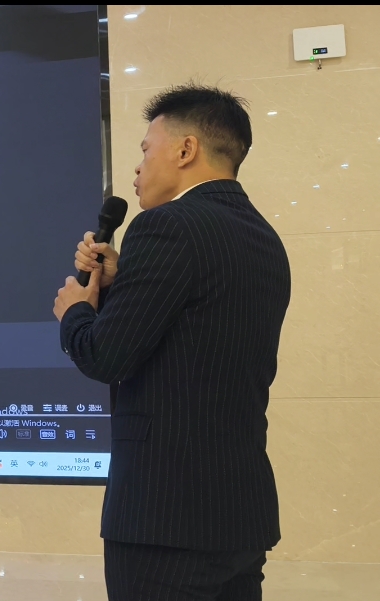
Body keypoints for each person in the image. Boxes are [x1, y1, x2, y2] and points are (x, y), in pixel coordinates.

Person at [53, 83, 291, 600]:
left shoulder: (164, 226)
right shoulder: (264, 239)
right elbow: (195, 336)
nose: (137, 170)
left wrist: (75, 312)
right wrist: (122, 284)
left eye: (145, 150)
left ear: (186, 150)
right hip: (241, 513)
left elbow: (105, 356)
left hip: (165, 519)